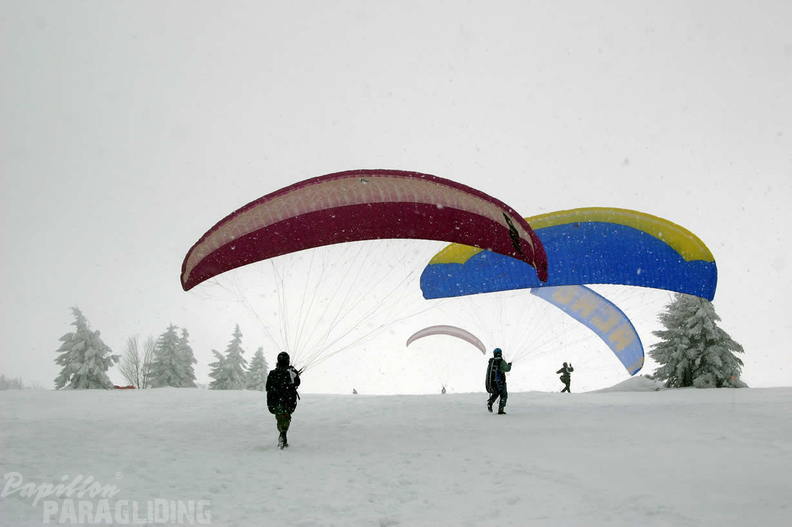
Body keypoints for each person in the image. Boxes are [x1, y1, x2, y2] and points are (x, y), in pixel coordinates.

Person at [265, 351, 301, 449]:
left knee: (281, 417)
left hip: (275, 401)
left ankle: (282, 434)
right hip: (288, 401)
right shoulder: (291, 372)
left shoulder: (272, 373)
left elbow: (268, 387)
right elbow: (297, 383)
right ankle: (283, 434)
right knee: (285, 417)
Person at [485, 348, 512, 414]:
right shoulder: (501, 361)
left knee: (496, 393)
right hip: (501, 382)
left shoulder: (491, 361)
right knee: (504, 395)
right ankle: (501, 410)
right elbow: (507, 369)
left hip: (493, 382)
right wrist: (509, 365)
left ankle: (490, 402)